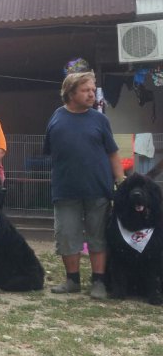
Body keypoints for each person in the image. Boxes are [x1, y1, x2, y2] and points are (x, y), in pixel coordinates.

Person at [43, 71, 124, 299]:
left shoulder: (100, 119)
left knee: (98, 236)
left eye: (92, 89)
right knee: (67, 235)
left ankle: (98, 282)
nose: (91, 94)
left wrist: (121, 181)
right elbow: (50, 151)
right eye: (85, 90)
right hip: (65, 190)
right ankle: (72, 281)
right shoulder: (56, 117)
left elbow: (113, 153)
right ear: (70, 93)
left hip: (98, 189)